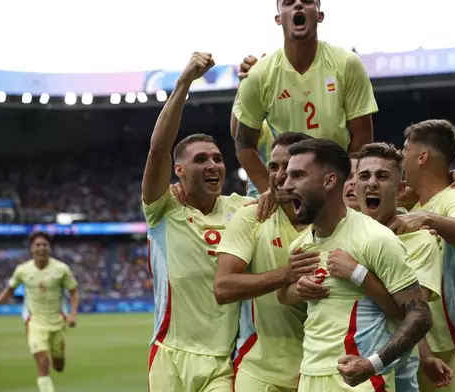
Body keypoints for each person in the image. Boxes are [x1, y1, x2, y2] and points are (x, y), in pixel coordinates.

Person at [277, 138, 432, 391]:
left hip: (360, 381)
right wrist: (299, 289)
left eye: (298, 175)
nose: (286, 185)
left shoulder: (375, 239)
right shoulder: (301, 246)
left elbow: (421, 315)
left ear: (329, 182)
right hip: (310, 377)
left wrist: (372, 364)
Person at [142, 52, 252, 392]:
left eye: (218, 159)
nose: (213, 165)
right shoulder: (164, 209)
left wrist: (253, 89)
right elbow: (159, 150)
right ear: (179, 170)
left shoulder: (242, 210)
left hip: (221, 362)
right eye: (200, 159)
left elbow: (272, 166)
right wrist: (184, 81)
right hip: (169, 356)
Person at [324, 142, 453, 390]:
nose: (370, 182)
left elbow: (413, 313)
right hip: (337, 368)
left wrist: (357, 273)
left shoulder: (421, 240)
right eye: (363, 176)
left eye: (382, 176)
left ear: (401, 188)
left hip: (393, 370)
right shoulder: (332, 234)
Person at [232, 0, 377, 198]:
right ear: (278, 19)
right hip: (287, 183)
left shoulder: (347, 63)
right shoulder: (260, 73)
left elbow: (362, 137)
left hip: (334, 182)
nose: (298, 4)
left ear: (320, 15)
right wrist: (270, 191)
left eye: (308, 1)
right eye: (289, 3)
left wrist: (345, 186)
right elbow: (243, 144)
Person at [392, 120, 455, 391]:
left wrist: (428, 217)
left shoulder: (454, 198)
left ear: (422, 156)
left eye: (405, 149)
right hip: (416, 344)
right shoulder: (413, 204)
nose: (402, 157)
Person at [211, 132, 315, 391]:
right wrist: (286, 274)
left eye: (289, 167)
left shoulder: (337, 222)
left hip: (323, 369)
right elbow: (223, 288)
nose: (280, 175)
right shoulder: (253, 217)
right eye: (273, 166)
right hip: (260, 371)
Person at [0, 231, 79, 392]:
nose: (41, 248)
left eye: (44, 245)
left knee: (59, 366)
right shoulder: (23, 270)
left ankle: (58, 357)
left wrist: (73, 313)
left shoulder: (61, 269)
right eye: (37, 245)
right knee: (42, 361)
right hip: (35, 322)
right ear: (31, 249)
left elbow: (74, 291)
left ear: (49, 248)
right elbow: (10, 289)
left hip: (57, 322)